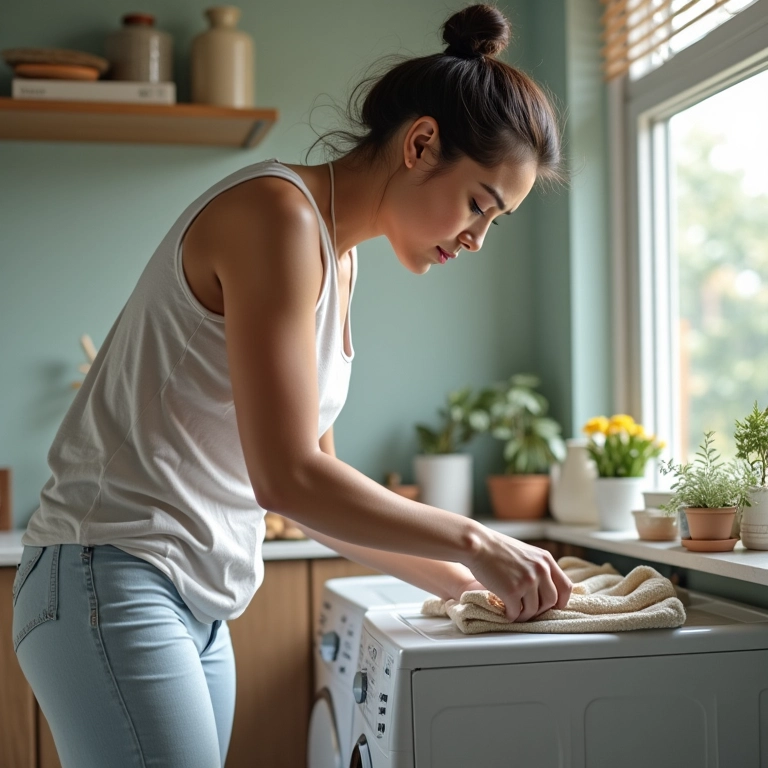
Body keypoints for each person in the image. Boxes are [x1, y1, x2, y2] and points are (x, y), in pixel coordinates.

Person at [11, 4, 573, 766]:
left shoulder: (338, 260)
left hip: (193, 603)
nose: (476, 238)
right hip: (106, 576)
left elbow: (324, 506)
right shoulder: (277, 216)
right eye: (479, 203)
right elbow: (287, 478)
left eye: (495, 222)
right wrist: (477, 541)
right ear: (420, 142)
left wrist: (477, 590)